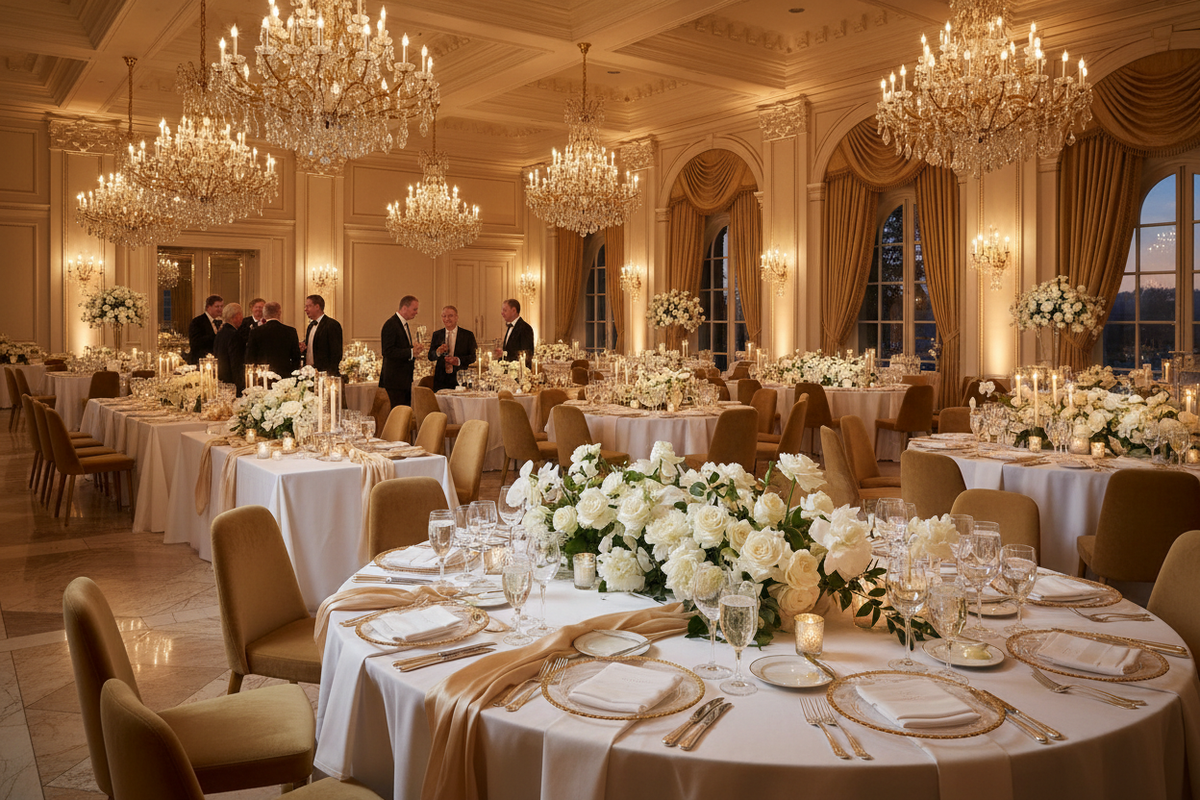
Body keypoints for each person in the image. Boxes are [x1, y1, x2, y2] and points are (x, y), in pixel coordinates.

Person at [380, 295, 420, 408]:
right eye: (414, 309)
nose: (416, 312)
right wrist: (410, 352)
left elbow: (400, 348)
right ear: (404, 308)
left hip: (403, 380)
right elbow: (388, 351)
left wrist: (413, 351)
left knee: (404, 414)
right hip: (395, 382)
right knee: (398, 416)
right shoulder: (391, 325)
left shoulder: (403, 324)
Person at [244, 301, 301, 379]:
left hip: (263, 376)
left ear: (264, 315)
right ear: (279, 313)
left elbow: (250, 357)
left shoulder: (256, 332)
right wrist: (290, 374)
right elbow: (296, 358)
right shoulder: (290, 331)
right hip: (284, 376)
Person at [427, 305, 477, 391]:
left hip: (460, 379)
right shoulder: (437, 335)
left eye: (450, 316)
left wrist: (457, 360)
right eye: (444, 316)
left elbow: (473, 357)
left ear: (456, 317)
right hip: (440, 379)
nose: (447, 319)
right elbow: (430, 357)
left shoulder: (467, 335)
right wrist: (438, 352)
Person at [300, 294, 343, 376]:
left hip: (324, 373)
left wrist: (330, 374)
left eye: (308, 306)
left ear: (317, 307)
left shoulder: (332, 325)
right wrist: (304, 347)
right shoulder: (310, 326)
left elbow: (336, 353)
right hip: (309, 373)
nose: (305, 309)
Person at [214, 302, 249, 395]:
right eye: (241, 315)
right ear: (236, 316)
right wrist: (240, 386)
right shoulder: (234, 335)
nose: (242, 318)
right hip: (231, 382)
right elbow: (236, 362)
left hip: (221, 378)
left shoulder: (220, 333)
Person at [495, 298, 534, 367]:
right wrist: (503, 354)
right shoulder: (510, 326)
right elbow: (511, 350)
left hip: (519, 372)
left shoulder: (525, 328)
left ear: (514, 311)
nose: (502, 313)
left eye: (505, 310)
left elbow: (525, 356)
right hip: (509, 371)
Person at [187, 295, 223, 364]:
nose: (220, 309)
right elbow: (195, 343)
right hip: (200, 361)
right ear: (208, 307)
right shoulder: (197, 321)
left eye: (221, 306)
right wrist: (217, 335)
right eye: (217, 306)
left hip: (214, 361)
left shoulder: (220, 322)